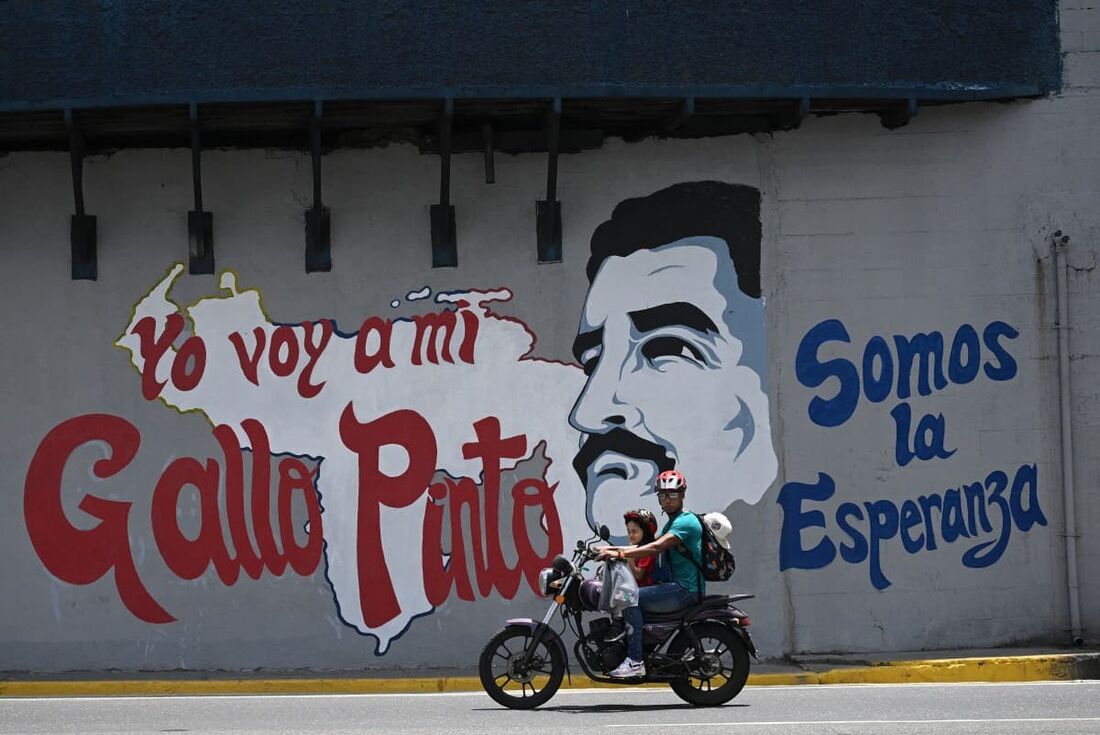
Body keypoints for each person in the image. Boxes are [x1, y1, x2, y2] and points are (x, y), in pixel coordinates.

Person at [569, 181, 779, 541]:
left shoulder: (683, 526)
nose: (587, 413)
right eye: (593, 361)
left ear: (768, 395)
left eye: (667, 348)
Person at [596, 469, 703, 678]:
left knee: (628, 598)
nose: (667, 500)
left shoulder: (685, 522)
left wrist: (617, 552)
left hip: (684, 590)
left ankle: (635, 661)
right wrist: (612, 550)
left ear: (682, 495)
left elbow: (655, 548)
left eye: (672, 494)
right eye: (662, 495)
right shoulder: (673, 523)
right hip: (676, 587)